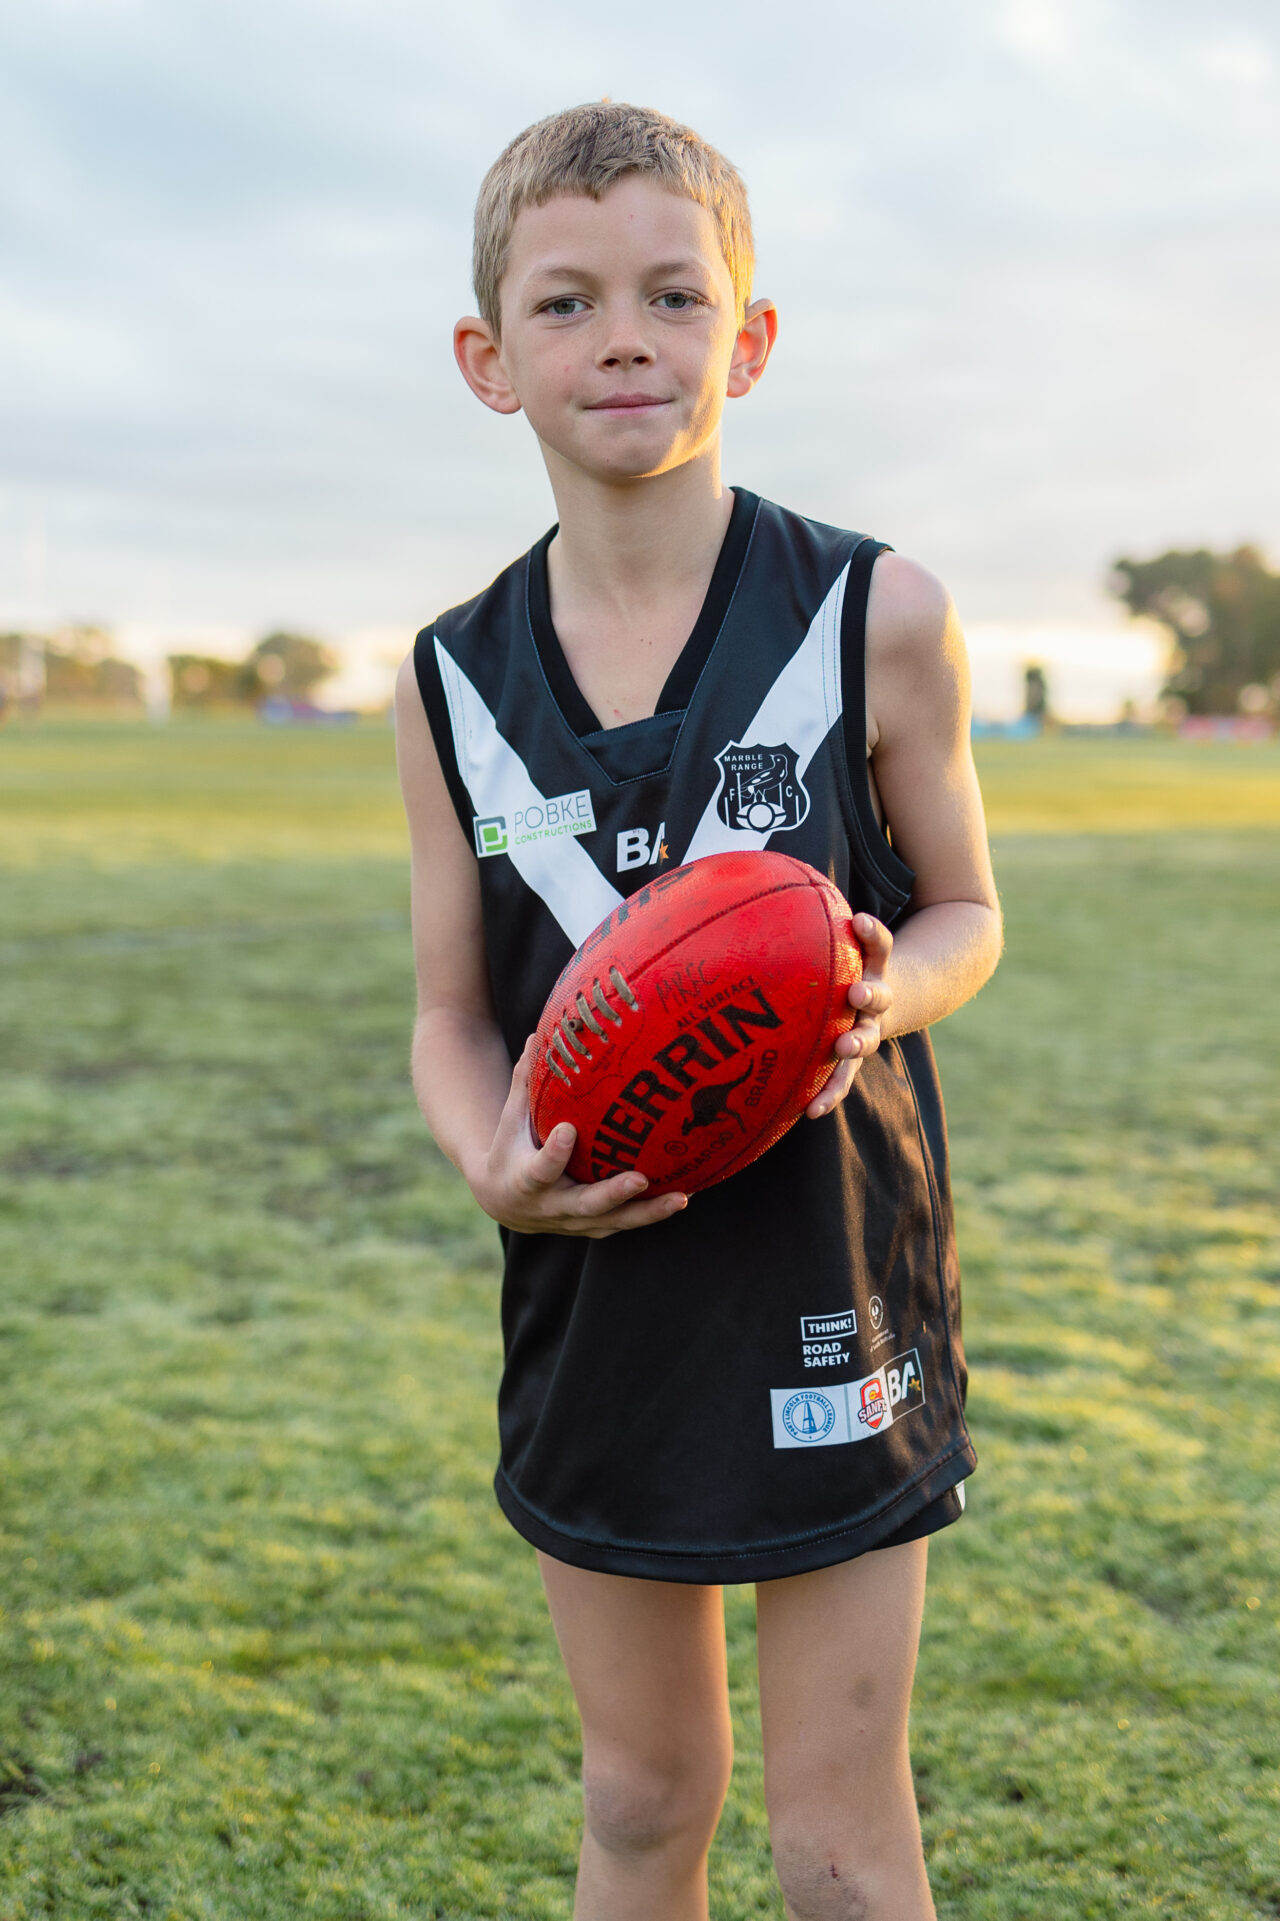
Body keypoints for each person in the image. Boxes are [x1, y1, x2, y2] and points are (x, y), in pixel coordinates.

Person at [395, 100, 1002, 1921]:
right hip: (598, 1288)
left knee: (838, 1836)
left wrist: (887, 988)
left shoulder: (876, 610)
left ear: (749, 339)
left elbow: (967, 911)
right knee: (644, 1793)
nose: (625, 339)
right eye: (566, 303)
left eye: (675, 294)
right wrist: (487, 1158)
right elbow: (448, 1012)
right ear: (488, 362)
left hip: (830, 1271)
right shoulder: (450, 678)